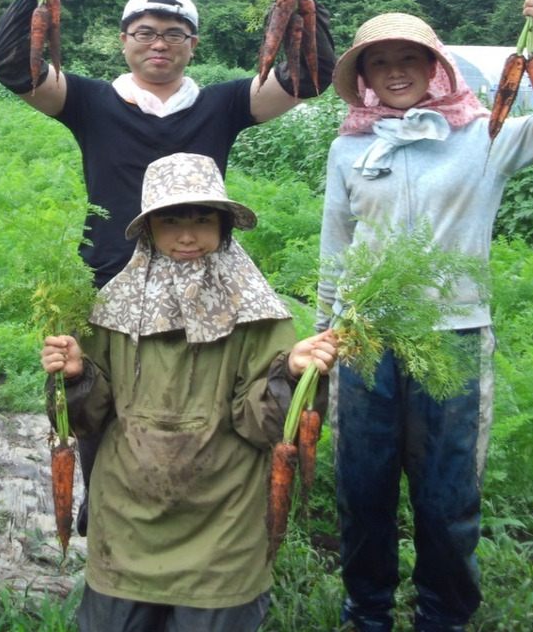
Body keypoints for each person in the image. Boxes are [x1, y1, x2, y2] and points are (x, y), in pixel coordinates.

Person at [317, 0, 533, 632]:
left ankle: (443, 616)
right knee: (361, 489)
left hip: (453, 334)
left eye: (409, 59)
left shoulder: (487, 135)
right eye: (380, 63)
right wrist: (324, 334)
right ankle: (366, 613)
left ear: (436, 67)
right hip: (363, 337)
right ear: (364, 77)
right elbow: (336, 246)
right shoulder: (350, 146)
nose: (395, 72)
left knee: (446, 496)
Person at [42, 153, 338, 632]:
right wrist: (75, 376)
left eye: (202, 220)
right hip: (127, 521)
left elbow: (262, 425)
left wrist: (291, 373)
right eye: (171, 220)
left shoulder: (258, 314)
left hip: (224, 526)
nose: (187, 236)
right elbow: (88, 419)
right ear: (148, 229)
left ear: (224, 226)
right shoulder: (111, 308)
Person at [0, 0, 336, 290]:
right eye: (145, 33)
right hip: (111, 279)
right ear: (124, 42)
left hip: (202, 281)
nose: (159, 44)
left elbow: (307, 79)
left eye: (174, 34)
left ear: (192, 45)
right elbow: (11, 66)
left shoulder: (223, 105)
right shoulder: (87, 101)